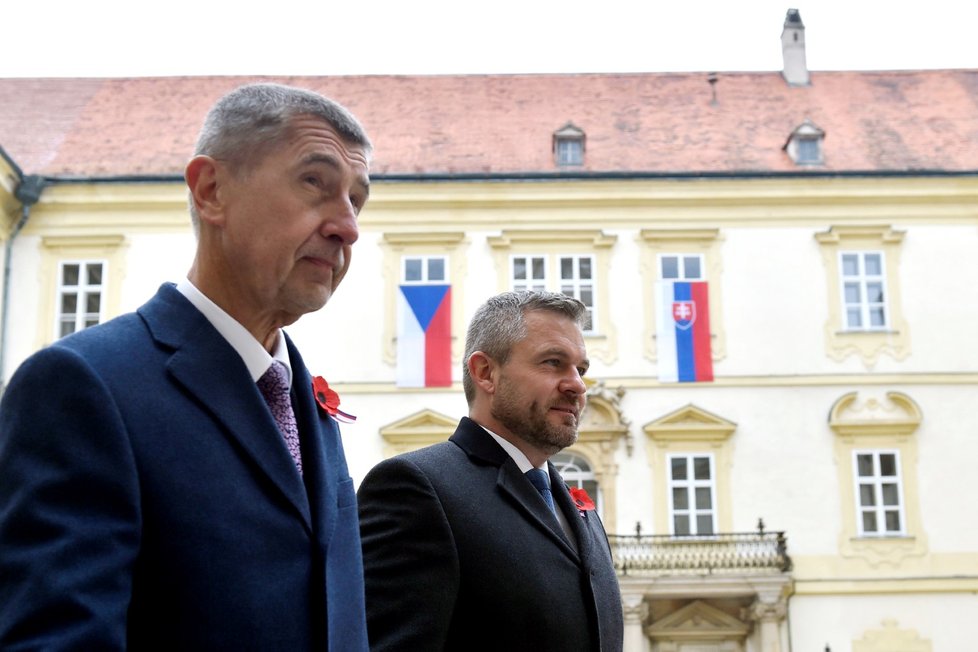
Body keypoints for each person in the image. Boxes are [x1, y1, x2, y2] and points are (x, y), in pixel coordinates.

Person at [0, 83, 372, 650]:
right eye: (315, 183)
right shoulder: (83, 387)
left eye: (357, 200)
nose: (347, 226)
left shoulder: (308, 406)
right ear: (212, 190)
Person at [358, 291, 624, 651]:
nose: (577, 384)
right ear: (485, 373)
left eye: (581, 369)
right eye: (552, 362)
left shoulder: (576, 508)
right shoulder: (416, 488)